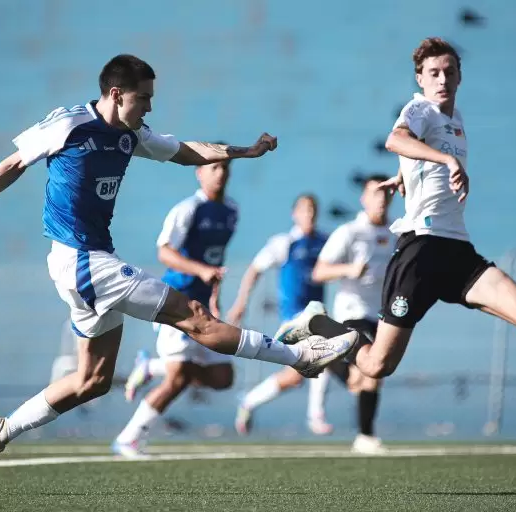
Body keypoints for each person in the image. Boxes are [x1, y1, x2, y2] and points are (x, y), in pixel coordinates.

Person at [0, 54, 358, 482]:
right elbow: (12, 164)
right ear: (116, 94)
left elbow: (187, 151)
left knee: (93, 379)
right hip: (81, 261)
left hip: (89, 262)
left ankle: (2, 429)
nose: (150, 107)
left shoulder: (131, 134)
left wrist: (245, 151)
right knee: (195, 318)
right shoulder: (69, 125)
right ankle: (300, 355)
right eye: (144, 98)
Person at [276, 38, 516, 422]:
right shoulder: (420, 108)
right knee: (376, 366)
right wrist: (445, 162)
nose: (442, 79)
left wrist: (403, 177)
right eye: (433, 73)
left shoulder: (456, 120)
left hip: (457, 251)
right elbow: (396, 139)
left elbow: (413, 155)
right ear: (420, 79)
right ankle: (320, 326)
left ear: (459, 77)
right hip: (419, 252)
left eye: (449, 72)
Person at [113, 158, 239, 456]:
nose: (220, 173)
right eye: (214, 167)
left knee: (223, 377)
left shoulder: (231, 211)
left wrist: (214, 298)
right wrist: (200, 271)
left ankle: (150, 366)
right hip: (177, 301)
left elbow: (215, 261)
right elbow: (165, 252)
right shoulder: (188, 210)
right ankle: (128, 438)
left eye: (225, 168)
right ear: (199, 173)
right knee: (178, 378)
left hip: (203, 306)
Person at [227, 195, 334, 435]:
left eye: (313, 210)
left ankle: (249, 401)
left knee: (295, 377)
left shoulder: (325, 242)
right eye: (304, 210)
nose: (309, 215)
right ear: (294, 214)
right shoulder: (283, 243)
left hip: (317, 315)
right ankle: (315, 415)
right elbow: (254, 270)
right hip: (293, 317)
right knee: (325, 354)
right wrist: (241, 302)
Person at [309, 174, 396, 454]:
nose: (381, 199)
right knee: (373, 368)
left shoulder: (396, 233)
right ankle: (365, 436)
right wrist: (348, 269)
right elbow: (319, 272)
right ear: (364, 198)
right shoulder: (349, 232)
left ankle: (326, 355)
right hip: (353, 314)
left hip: (383, 316)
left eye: (386, 193)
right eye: (375, 193)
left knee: (366, 377)